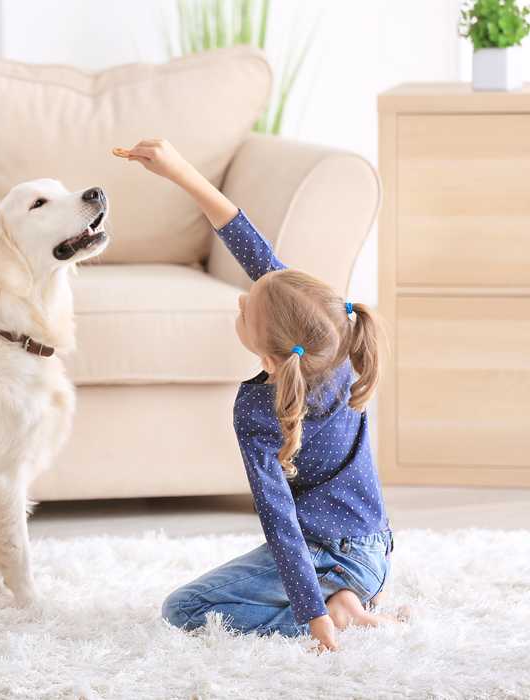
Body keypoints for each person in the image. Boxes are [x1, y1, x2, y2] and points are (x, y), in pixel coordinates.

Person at [124, 139, 407, 652]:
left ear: (271, 361)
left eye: (243, 313)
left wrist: (313, 618)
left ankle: (340, 609)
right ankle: (357, 594)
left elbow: (280, 525)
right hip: (378, 547)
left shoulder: (257, 409)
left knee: (183, 608)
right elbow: (247, 243)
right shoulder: (333, 342)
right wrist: (180, 169)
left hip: (327, 553)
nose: (239, 298)